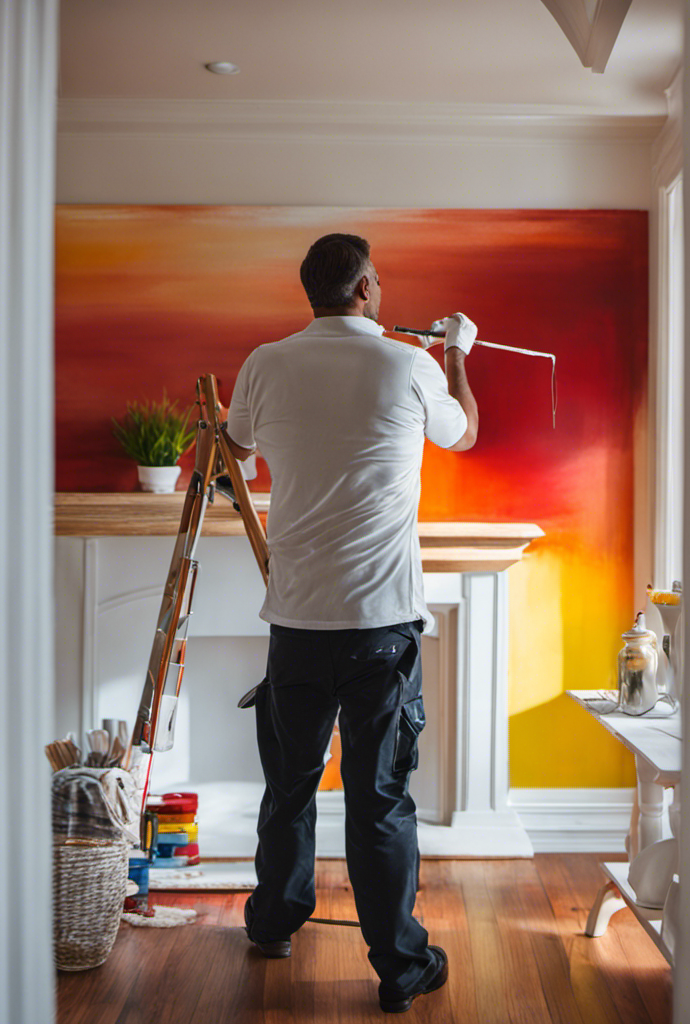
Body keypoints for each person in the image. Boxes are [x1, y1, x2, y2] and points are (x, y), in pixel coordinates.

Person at [222, 233, 479, 1014]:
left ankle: (272, 924)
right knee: (379, 799)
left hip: (297, 623)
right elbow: (463, 431)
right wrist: (460, 351)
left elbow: (235, 447)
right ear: (365, 286)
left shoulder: (266, 362)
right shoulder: (412, 364)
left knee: (290, 785)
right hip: (381, 629)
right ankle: (401, 969)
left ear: (313, 291)